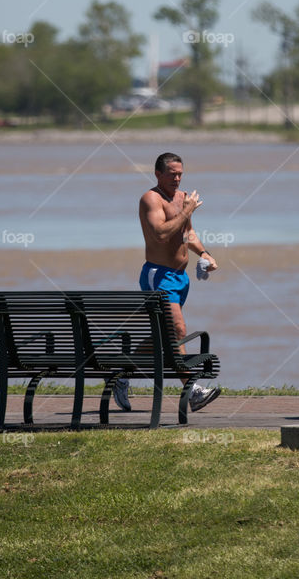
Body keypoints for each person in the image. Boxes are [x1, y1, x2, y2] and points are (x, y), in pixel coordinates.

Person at [112, 152, 221, 412]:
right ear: (158, 174)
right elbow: (161, 234)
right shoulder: (150, 199)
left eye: (180, 173)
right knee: (178, 330)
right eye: (172, 173)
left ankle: (120, 374)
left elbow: (187, 233)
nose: (177, 178)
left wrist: (204, 254)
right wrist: (186, 212)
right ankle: (192, 391)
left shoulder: (183, 199)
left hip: (180, 278)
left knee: (163, 336)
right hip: (158, 275)